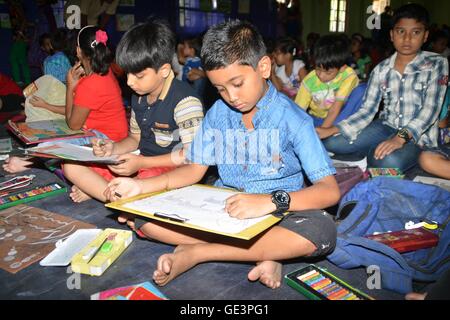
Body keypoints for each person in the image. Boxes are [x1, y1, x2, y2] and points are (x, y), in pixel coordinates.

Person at [103, 20, 340, 289]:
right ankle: (268, 253)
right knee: (145, 220)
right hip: (224, 210)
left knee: (322, 232)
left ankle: (199, 252)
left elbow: (329, 191)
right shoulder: (218, 113)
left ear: (263, 67)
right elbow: (193, 170)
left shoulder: (294, 119)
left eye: (237, 83)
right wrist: (139, 186)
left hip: (278, 213)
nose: (231, 97)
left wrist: (270, 201)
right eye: (220, 89)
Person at [65, 18, 204, 203]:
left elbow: (189, 156)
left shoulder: (185, 102)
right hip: (140, 163)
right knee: (71, 164)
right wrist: (113, 148)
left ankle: (113, 192)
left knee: (145, 177)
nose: (130, 82)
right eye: (128, 73)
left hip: (170, 171)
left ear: (163, 70)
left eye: (138, 75)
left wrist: (142, 163)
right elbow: (135, 138)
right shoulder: (139, 94)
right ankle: (117, 195)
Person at [318, 4, 449, 173]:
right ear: (392, 34)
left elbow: (430, 110)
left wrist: (399, 139)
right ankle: (377, 149)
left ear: (425, 36)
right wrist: (332, 129)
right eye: (401, 31)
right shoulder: (381, 69)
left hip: (418, 135)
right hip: (386, 126)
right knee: (331, 142)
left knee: (384, 162)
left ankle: (385, 153)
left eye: (415, 32)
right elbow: (367, 110)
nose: (407, 38)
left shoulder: (437, 63)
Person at [4, 26, 129, 195]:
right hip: (103, 132)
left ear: (79, 50)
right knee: (47, 132)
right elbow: (78, 111)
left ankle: (28, 164)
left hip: (106, 138)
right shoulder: (101, 73)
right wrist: (48, 105)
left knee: (49, 146)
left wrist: (70, 86)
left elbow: (73, 124)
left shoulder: (92, 82)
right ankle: (86, 183)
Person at [294, 34, 359, 128]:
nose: (321, 75)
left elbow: (335, 109)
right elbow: (298, 110)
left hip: (339, 117)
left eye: (328, 73)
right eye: (317, 69)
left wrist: (323, 131)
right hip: (315, 118)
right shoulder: (309, 81)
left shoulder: (348, 76)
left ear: (342, 68)